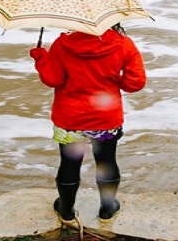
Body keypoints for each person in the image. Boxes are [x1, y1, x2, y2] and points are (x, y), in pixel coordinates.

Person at [29, 23, 146, 227]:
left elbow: (53, 79)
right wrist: (113, 81)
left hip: (70, 120)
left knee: (69, 164)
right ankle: (107, 210)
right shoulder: (124, 44)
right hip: (106, 119)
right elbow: (135, 83)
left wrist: (40, 58)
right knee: (106, 162)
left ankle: (66, 211)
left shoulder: (62, 44)